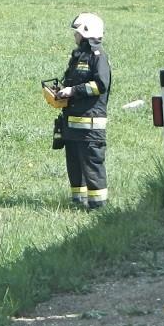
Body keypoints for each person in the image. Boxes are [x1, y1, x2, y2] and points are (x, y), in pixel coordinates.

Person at [55, 12, 112, 209]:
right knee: (74, 165)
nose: (75, 35)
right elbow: (72, 81)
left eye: (77, 32)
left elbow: (100, 85)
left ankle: (98, 207)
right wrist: (61, 91)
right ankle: (78, 202)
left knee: (92, 166)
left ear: (87, 32)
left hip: (90, 127)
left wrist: (73, 91)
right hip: (72, 124)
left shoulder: (98, 57)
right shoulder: (78, 56)